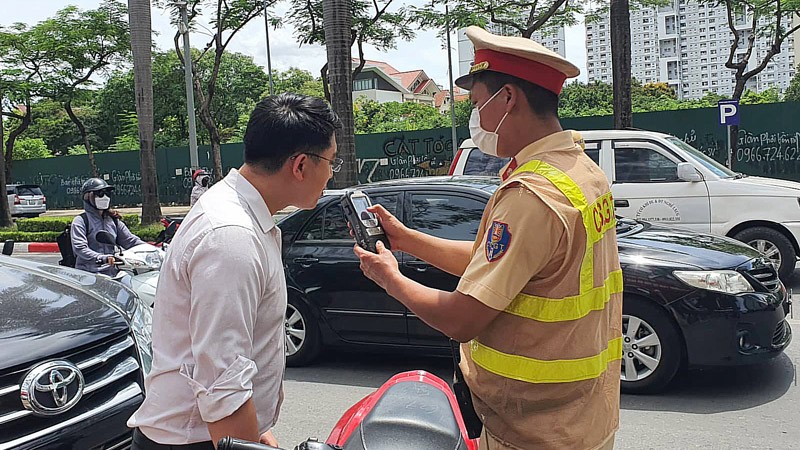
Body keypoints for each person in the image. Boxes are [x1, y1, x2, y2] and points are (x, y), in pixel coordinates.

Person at [354, 26, 622, 450]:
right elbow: (495, 268)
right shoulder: (580, 173)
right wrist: (406, 239)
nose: (475, 117)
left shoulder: (532, 196)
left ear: (509, 98)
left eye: (478, 104)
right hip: (579, 415)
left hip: (535, 431)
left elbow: (462, 318)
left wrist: (390, 278)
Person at [127, 93, 342, 450]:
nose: (332, 174)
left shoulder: (242, 216)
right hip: (195, 440)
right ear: (301, 165)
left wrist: (255, 429)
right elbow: (221, 379)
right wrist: (245, 439)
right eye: (331, 162)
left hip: (210, 434)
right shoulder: (231, 236)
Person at [72, 178, 146, 276]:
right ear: (87, 197)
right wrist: (102, 258)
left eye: (107, 194)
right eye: (100, 194)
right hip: (89, 274)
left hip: (113, 272)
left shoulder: (113, 220)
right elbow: (80, 249)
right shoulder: (81, 221)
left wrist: (153, 250)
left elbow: (130, 241)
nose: (105, 197)